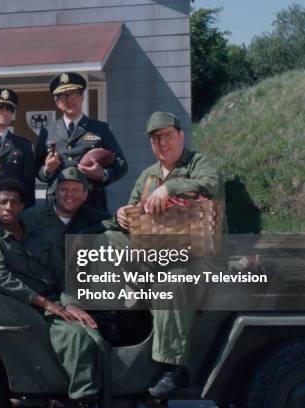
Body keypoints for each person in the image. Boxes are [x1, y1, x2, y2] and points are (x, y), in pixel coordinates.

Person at [110, 111, 226, 398]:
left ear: (180, 135)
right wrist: (122, 215)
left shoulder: (200, 163)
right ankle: (126, 308)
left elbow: (210, 184)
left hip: (197, 258)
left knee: (170, 284)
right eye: (155, 138)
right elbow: (133, 213)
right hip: (156, 256)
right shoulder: (146, 176)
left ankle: (175, 368)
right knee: (106, 238)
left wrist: (171, 187)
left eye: (167, 136)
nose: (162, 143)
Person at [0, 178, 109, 408]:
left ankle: (103, 397)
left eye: (13, 203)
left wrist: (69, 304)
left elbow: (61, 273)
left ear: (22, 207)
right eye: (3, 202)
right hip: (27, 307)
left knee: (97, 337)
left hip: (56, 302)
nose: (8, 208)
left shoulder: (37, 235)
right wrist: (44, 303)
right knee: (77, 337)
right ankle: (83, 400)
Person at [34, 72, 128, 211]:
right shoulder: (47, 131)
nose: (69, 100)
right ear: (58, 102)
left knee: (89, 234)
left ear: (82, 97)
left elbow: (121, 164)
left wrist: (103, 174)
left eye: (74, 94)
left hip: (91, 203)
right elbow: (36, 169)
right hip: (57, 206)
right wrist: (47, 170)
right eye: (63, 96)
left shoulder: (100, 128)